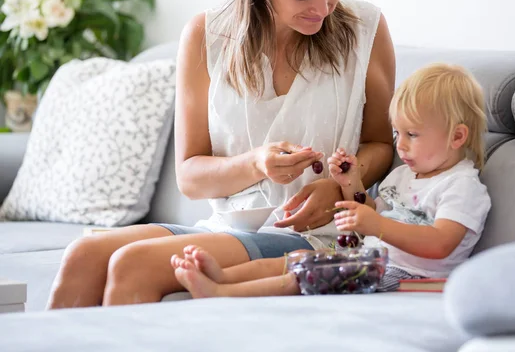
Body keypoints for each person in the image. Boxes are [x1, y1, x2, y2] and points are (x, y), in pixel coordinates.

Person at [47, 0, 395, 308]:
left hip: (323, 238)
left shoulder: (364, 28)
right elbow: (190, 177)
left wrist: (339, 185)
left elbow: (381, 143)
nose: (322, 9)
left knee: (133, 264)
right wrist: (256, 164)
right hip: (227, 226)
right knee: (84, 254)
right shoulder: (207, 35)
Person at [170, 63, 492, 298]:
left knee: (308, 273)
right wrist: (351, 182)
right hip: (371, 261)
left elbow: (440, 243)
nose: (400, 145)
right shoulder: (406, 174)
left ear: (457, 136)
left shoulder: (461, 186)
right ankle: (222, 277)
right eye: (397, 133)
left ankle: (222, 294)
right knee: (295, 260)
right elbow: (366, 212)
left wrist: (377, 227)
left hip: (411, 277)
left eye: (413, 135)